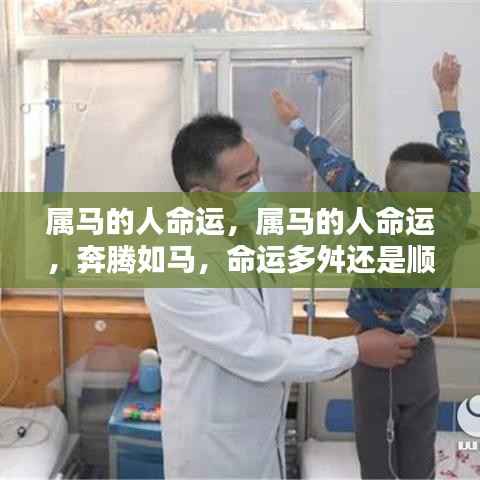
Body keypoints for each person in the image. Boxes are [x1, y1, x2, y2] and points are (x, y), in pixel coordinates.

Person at [144, 114, 417, 479]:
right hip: (213, 454)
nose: (259, 185)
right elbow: (256, 352)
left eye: (257, 169)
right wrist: (356, 350)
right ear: (203, 197)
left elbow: (323, 240)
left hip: (263, 436)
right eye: (245, 180)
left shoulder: (258, 221)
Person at [271, 52, 470, 479]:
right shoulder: (454, 215)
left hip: (374, 351)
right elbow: (458, 159)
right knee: (420, 445)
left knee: (376, 450)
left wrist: (297, 126)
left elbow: (334, 166)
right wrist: (448, 96)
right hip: (420, 351)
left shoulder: (375, 207)